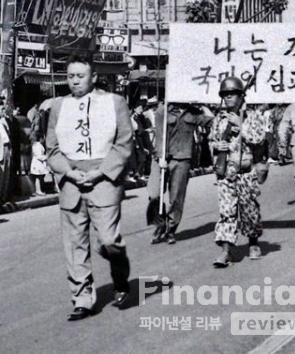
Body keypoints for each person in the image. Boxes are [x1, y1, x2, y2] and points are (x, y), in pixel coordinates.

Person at [46, 53, 133, 321]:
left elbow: (124, 143)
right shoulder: (58, 106)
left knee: (109, 241)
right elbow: (52, 148)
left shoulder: (114, 102)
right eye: (70, 76)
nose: (74, 81)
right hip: (71, 182)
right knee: (75, 244)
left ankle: (120, 273)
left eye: (80, 76)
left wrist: (100, 172)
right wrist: (69, 173)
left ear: (93, 77)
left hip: (104, 181)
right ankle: (83, 298)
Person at [209, 76, 266, 267]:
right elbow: (211, 141)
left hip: (246, 172)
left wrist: (241, 125)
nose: (228, 97)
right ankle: (226, 252)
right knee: (227, 211)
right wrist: (218, 145)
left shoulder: (253, 116)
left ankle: (253, 243)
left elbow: (259, 140)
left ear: (241, 96)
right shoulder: (219, 118)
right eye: (224, 94)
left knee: (249, 210)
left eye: (232, 93)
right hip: (226, 172)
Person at [146, 102, 213, 245]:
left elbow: (211, 120)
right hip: (162, 158)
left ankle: (170, 230)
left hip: (182, 158)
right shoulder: (163, 110)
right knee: (154, 193)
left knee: (176, 197)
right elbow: (159, 134)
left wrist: (202, 103)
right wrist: (161, 156)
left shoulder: (193, 113)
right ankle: (160, 223)